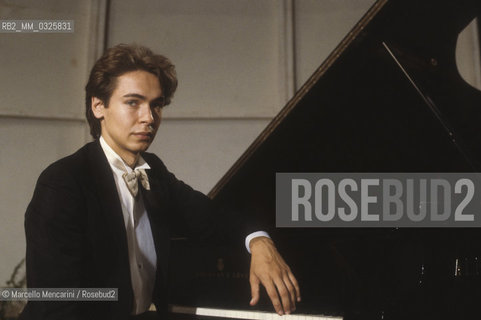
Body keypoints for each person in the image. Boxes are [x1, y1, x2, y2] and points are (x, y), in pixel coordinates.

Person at [20, 44, 300, 320]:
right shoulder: (62, 183)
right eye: (133, 102)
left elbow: (216, 218)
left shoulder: (154, 172)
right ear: (98, 106)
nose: (149, 118)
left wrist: (260, 242)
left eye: (156, 105)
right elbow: (56, 308)